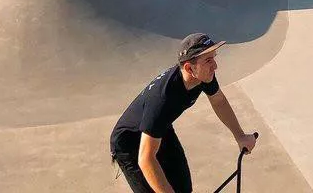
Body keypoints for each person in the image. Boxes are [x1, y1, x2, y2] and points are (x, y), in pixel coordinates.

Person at [110, 34, 257, 193]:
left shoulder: (204, 77)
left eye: (214, 58)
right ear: (189, 68)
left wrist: (240, 135)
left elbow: (218, 101)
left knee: (183, 189)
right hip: (129, 143)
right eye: (208, 61)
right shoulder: (162, 99)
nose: (215, 66)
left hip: (160, 130)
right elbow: (146, 159)